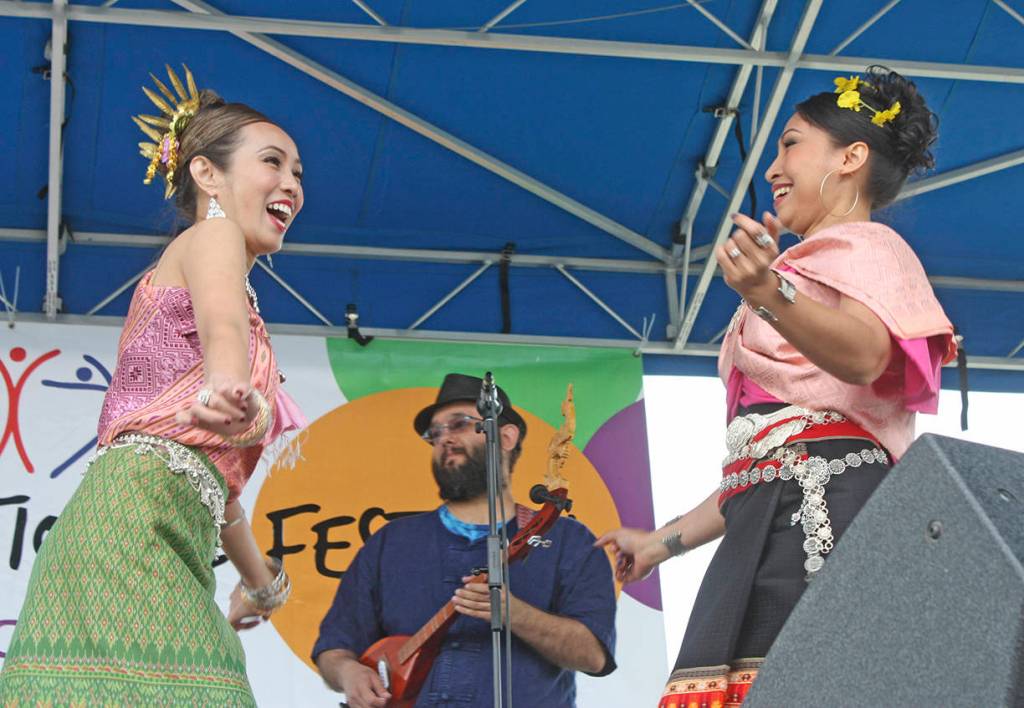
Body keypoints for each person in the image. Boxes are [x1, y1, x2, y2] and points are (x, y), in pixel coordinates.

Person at [597, 66, 956, 706]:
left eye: (791, 143)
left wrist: (769, 291)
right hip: (772, 511)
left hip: (825, 513)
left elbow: (867, 356)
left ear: (850, 157)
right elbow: (764, 466)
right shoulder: (798, 271)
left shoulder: (868, 246)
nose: (772, 168)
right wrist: (658, 544)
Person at [0, 65, 306, 705]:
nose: (291, 185)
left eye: (298, 173)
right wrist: (228, 385)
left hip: (159, 526)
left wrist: (262, 584)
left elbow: (219, 497)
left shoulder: (234, 288)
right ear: (206, 173)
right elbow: (222, 330)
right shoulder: (212, 235)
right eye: (273, 163)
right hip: (129, 524)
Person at [313, 373, 617, 708]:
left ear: (505, 436)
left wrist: (513, 613)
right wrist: (347, 673)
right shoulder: (389, 544)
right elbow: (335, 646)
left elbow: (594, 655)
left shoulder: (567, 541)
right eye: (435, 433)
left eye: (459, 424)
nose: (443, 439)